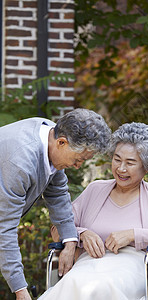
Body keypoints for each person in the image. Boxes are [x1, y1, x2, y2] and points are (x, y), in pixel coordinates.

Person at [39, 122, 148, 300]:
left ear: (146, 167)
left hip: (134, 267)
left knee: (103, 287)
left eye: (130, 162)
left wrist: (133, 235)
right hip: (88, 265)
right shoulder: (95, 189)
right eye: (117, 159)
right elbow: (57, 231)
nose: (121, 168)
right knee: (74, 284)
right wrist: (81, 233)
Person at [0, 108, 112, 300]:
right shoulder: (21, 162)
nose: (77, 166)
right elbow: (4, 228)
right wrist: (20, 290)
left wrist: (70, 241)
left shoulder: (52, 134)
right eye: (78, 160)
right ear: (62, 143)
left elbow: (58, 193)